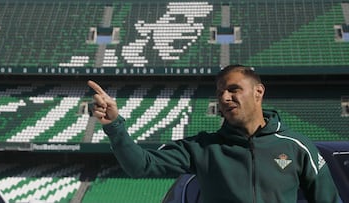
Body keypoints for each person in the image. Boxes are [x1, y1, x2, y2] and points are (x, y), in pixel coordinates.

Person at [87, 65, 340, 203]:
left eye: (233, 89)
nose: (224, 97)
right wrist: (114, 125)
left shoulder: (298, 147)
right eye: (220, 93)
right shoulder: (202, 147)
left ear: (258, 92)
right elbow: (141, 166)